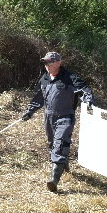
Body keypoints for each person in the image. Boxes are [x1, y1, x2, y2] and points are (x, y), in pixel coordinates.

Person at [22, 51, 94, 192]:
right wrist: (30, 111)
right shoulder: (45, 78)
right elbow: (38, 97)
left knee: (60, 144)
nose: (47, 65)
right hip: (48, 117)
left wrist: (89, 101)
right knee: (52, 144)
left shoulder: (70, 77)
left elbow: (85, 91)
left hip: (65, 116)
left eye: (50, 62)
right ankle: (63, 163)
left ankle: (54, 180)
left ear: (58, 62)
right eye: (45, 62)